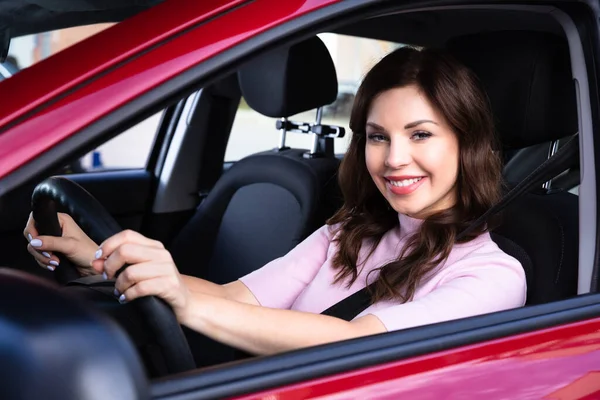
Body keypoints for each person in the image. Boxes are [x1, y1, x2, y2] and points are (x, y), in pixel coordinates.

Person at [23, 46, 526, 356]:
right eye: (377, 137)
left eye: (420, 135)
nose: (395, 158)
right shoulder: (350, 230)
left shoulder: (491, 276)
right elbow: (237, 297)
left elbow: (358, 346)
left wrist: (182, 304)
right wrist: (101, 258)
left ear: (467, 143)